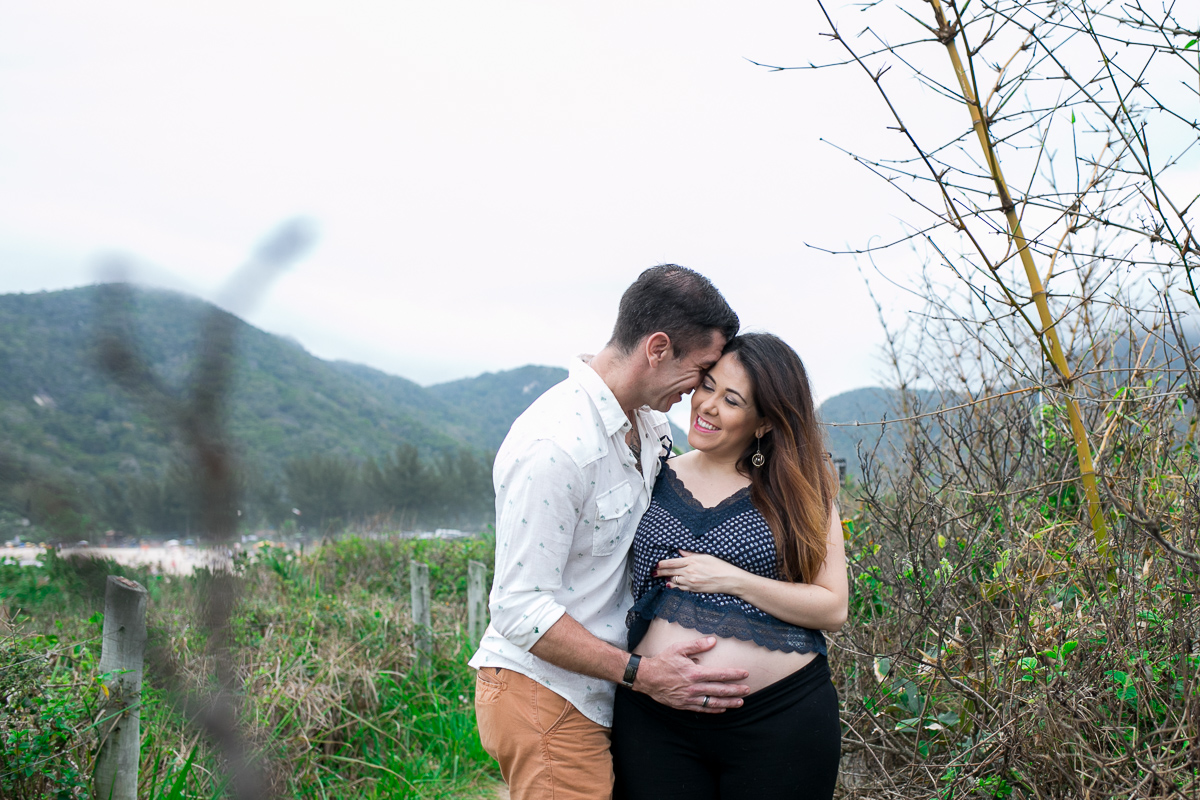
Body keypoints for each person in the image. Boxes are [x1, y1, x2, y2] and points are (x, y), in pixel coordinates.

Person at [470, 264, 751, 800]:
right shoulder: (555, 446)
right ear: (659, 348)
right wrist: (642, 673)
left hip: (605, 697)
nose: (699, 392)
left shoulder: (648, 425)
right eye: (701, 370)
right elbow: (519, 609)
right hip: (547, 696)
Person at [611, 332, 848, 800]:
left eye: (732, 399)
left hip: (779, 719)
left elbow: (833, 607)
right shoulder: (654, 472)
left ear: (763, 422)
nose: (708, 405)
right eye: (708, 386)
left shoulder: (802, 489)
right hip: (657, 716)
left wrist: (734, 580)